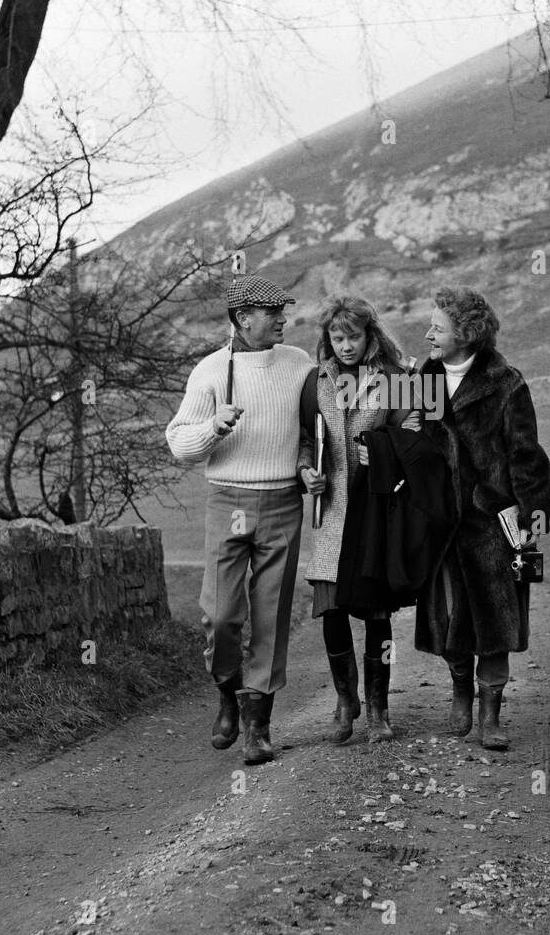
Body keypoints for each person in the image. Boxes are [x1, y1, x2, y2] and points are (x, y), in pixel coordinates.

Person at [165, 274, 312, 766]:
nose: (281, 319)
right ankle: (227, 689)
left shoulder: (299, 365)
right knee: (221, 614)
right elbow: (179, 444)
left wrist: (311, 467)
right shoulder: (209, 371)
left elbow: (316, 428)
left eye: (282, 311)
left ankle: (257, 726)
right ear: (241, 318)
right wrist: (212, 427)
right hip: (228, 502)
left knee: (270, 615)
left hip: (283, 503)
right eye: (271, 313)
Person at [414, 286, 550, 750]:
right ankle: (459, 693)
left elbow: (526, 454)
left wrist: (531, 517)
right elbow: (415, 444)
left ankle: (490, 712)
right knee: (450, 613)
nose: (427, 333)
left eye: (437, 327)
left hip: (493, 521)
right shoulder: (424, 379)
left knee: (495, 616)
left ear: (466, 335)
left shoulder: (506, 383)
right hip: (441, 521)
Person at [298, 296, 420, 744]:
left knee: (375, 612)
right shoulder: (314, 381)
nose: (345, 345)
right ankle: (346, 701)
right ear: (326, 338)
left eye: (353, 336)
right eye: (337, 336)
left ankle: (379, 712)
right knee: (332, 608)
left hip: (376, 512)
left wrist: (385, 451)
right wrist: (305, 470)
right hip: (332, 513)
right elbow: (306, 440)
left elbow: (415, 433)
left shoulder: (395, 378)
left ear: (370, 335)